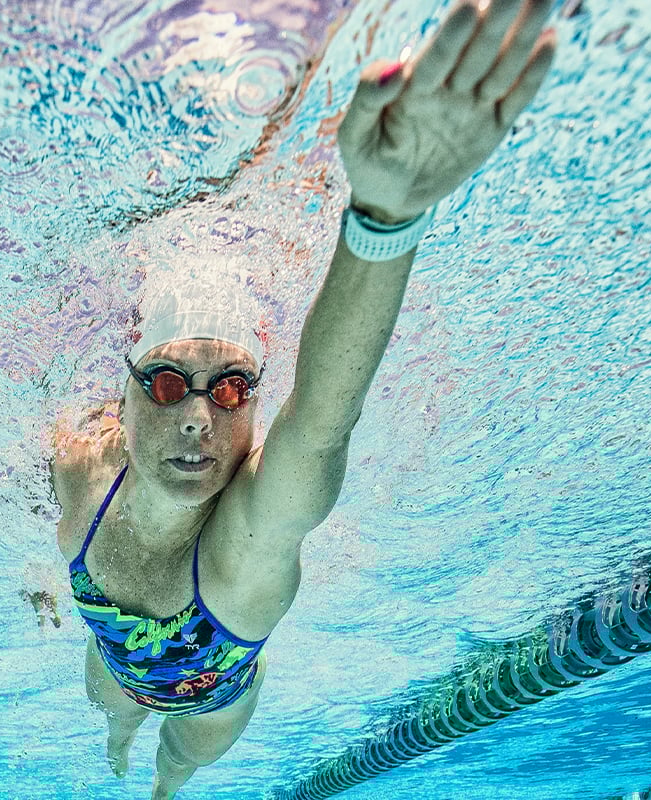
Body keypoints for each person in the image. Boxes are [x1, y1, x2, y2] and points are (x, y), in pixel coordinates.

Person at [48, 1, 557, 798]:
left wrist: (386, 215)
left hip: (211, 706)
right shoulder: (79, 470)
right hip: (111, 657)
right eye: (174, 384)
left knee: (176, 762)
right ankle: (120, 742)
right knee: (111, 711)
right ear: (126, 394)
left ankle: (160, 787)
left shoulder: (244, 543)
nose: (197, 416)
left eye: (233, 390)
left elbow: (322, 421)